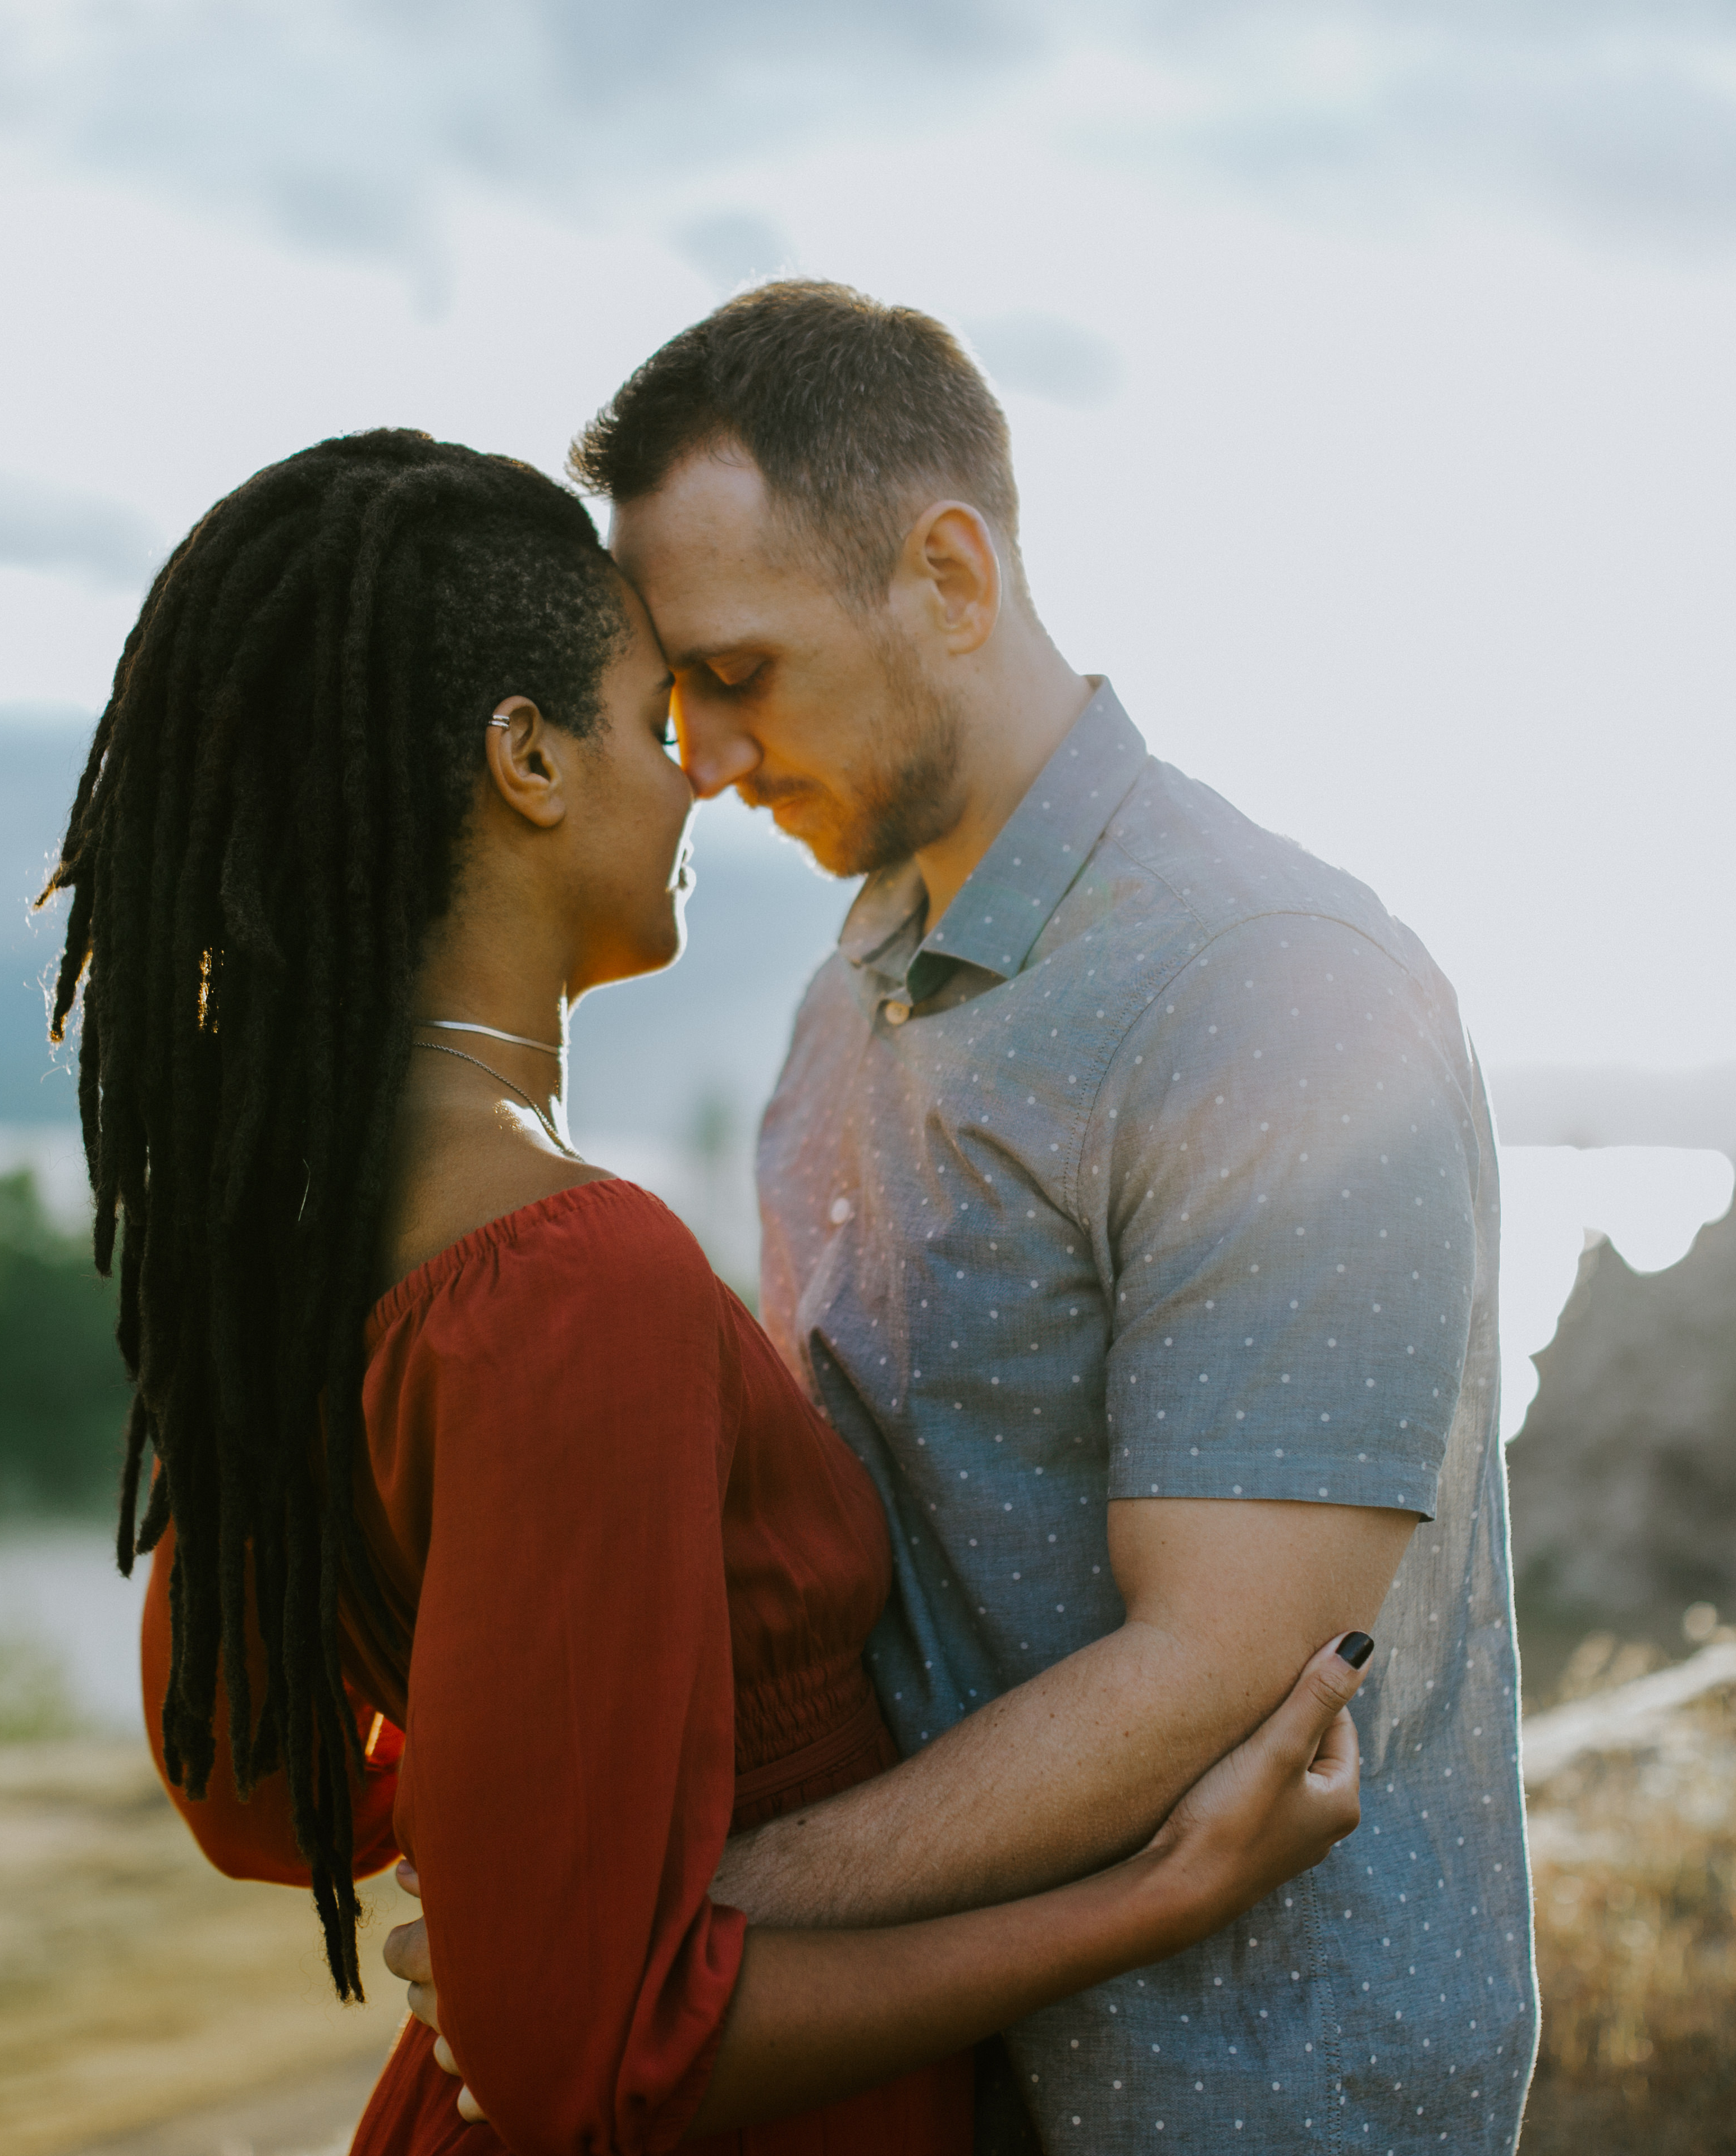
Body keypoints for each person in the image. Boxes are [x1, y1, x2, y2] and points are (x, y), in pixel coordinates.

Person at [36, 428, 1382, 2154]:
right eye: (653, 721)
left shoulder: (294, 1240)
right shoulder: (567, 1282)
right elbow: (591, 2063)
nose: (700, 783)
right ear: (527, 760)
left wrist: (514, 1831)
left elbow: (258, 1794)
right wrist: (1148, 1900)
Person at [395, 285, 1541, 2150]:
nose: (698, 753)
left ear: (947, 574)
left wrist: (672, 1919)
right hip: (937, 2080)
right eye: (673, 691)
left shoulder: (1268, 989)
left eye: (741, 673)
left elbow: (1222, 1668)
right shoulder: (844, 1002)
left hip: (1246, 2097)